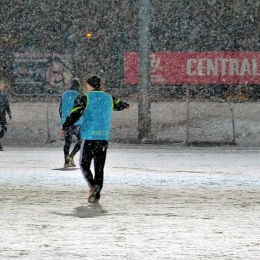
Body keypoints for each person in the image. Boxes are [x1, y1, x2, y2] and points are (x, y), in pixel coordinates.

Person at [60, 75, 129, 203]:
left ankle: (93, 186)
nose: (85, 87)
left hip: (89, 137)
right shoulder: (108, 98)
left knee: (84, 164)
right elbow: (120, 104)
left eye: (86, 85)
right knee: (99, 167)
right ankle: (96, 194)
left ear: (90, 85)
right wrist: (125, 105)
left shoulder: (86, 97)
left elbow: (75, 113)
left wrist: (65, 126)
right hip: (103, 137)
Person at [59, 78, 82, 167]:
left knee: (67, 142)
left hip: (66, 122)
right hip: (76, 122)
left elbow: (60, 108)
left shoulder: (64, 94)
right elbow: (79, 110)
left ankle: (66, 162)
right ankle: (71, 156)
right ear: (78, 86)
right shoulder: (78, 95)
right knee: (81, 140)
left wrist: (63, 120)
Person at [0, 80, 12, 151]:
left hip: (2, 113)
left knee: (4, 128)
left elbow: (6, 104)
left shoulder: (4, 94)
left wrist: (9, 113)